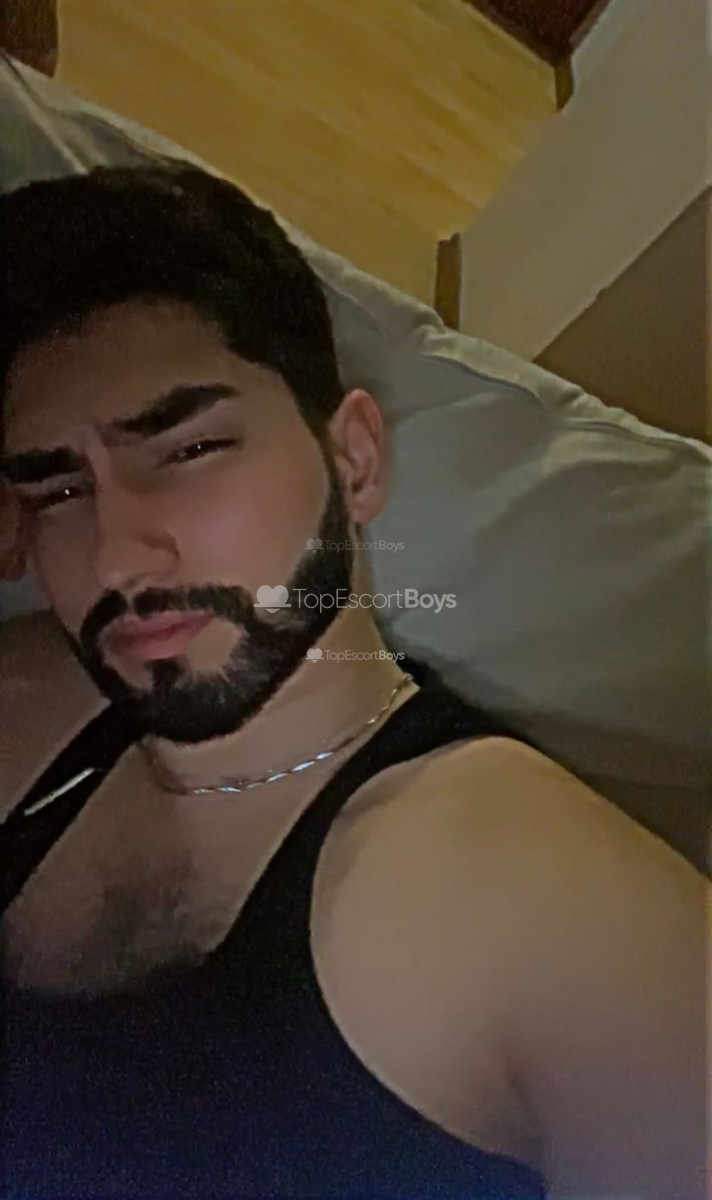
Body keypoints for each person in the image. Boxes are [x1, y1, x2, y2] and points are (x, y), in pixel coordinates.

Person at [0, 163, 707, 1200]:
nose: (116, 557)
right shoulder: (28, 705)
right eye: (59, 490)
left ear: (356, 461)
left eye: (188, 449)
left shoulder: (542, 902)